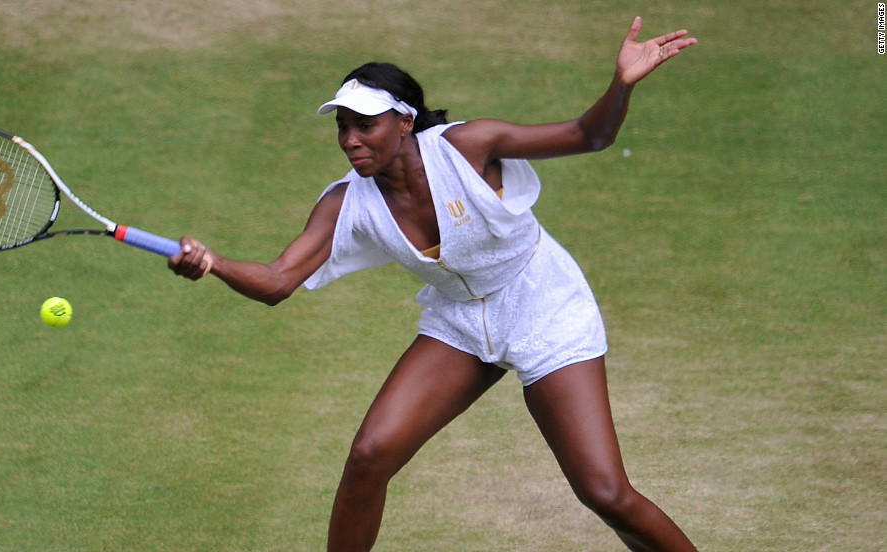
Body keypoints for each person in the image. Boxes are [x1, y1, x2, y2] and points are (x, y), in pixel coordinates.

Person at [169, 16, 699, 552]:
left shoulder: (469, 146)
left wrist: (621, 84)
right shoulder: (345, 202)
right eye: (343, 127)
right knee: (369, 455)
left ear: (404, 122)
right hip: (461, 319)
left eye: (365, 125)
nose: (350, 140)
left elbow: (590, 135)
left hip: (544, 304)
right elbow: (279, 279)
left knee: (605, 493)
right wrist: (213, 262)